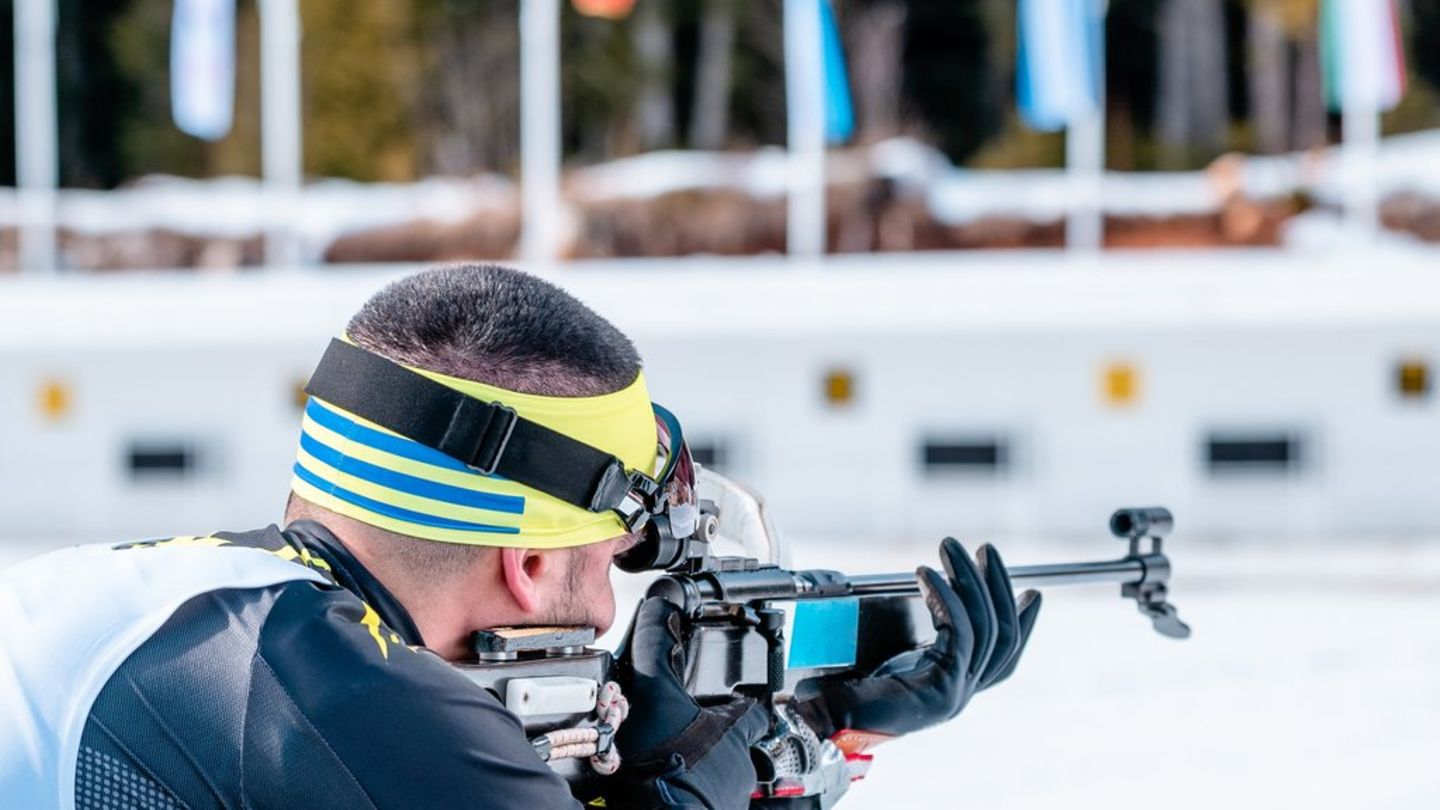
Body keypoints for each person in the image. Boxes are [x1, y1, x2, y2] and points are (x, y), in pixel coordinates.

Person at [0, 263, 1041, 810]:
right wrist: (698, 768)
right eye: (605, 564)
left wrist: (821, 737)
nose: (604, 612)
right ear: (533, 562)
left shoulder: (201, 613)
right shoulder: (341, 690)